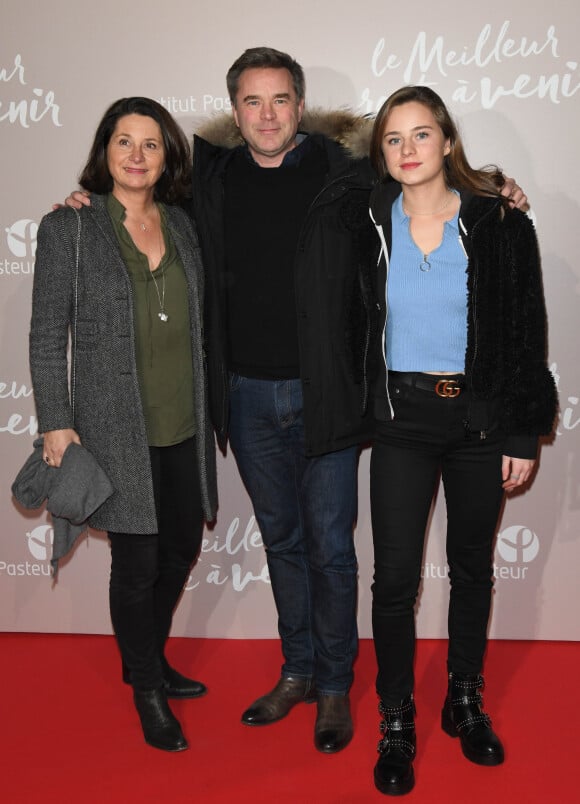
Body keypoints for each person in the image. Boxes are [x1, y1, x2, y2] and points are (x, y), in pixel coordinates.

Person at [63, 49, 527, 755]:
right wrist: (86, 204)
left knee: (332, 550)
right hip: (245, 395)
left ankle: (337, 685)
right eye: (252, 102)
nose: (268, 115)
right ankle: (298, 670)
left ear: (301, 106)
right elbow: (139, 196)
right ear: (236, 111)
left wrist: (496, 186)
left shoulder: (350, 175)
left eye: (281, 100)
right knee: (282, 542)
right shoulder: (209, 179)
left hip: (329, 396)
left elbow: (427, 174)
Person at [366, 86, 557, 795]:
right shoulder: (364, 221)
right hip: (401, 421)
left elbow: (524, 330)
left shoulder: (498, 221)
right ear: (381, 152)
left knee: (471, 569)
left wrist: (520, 430)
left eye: (422, 134)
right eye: (394, 138)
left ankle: (464, 698)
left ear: (447, 142)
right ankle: (395, 717)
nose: (409, 149)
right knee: (393, 581)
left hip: (477, 420)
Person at [31, 97, 217, 753]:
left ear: (168, 156)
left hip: (185, 424)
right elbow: (48, 336)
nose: (136, 156)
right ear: (104, 151)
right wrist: (56, 422)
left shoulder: (183, 225)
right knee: (136, 564)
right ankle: (146, 687)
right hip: (114, 429)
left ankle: (146, 655)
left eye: (150, 144)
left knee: (179, 549)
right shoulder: (70, 229)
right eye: (123, 142)